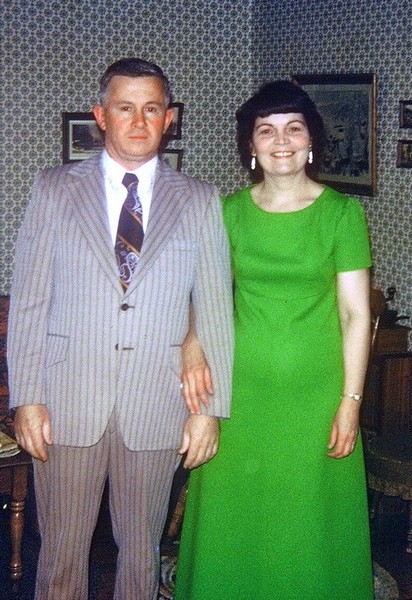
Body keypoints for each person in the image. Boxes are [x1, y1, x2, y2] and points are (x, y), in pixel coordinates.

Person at [7, 57, 233, 600]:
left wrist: (210, 411)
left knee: (140, 553)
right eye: (125, 108)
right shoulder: (54, 189)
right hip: (66, 400)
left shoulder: (200, 200)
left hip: (157, 402)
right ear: (100, 115)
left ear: (169, 119)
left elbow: (215, 308)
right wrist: (27, 399)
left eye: (151, 110)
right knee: (60, 552)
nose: (138, 121)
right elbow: (30, 302)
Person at [174, 80, 374, 599]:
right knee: (235, 518)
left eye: (293, 129)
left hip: (316, 397)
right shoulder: (227, 213)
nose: (280, 141)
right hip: (238, 397)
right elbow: (206, 300)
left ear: (311, 141)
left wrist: (351, 401)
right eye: (266, 131)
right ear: (251, 144)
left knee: (309, 520)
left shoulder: (342, 214)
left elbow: (355, 315)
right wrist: (194, 356)